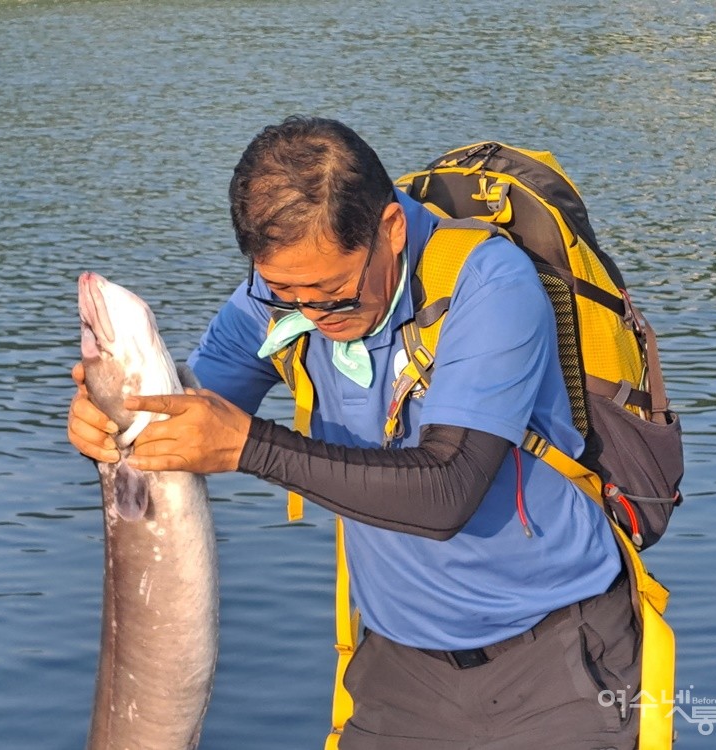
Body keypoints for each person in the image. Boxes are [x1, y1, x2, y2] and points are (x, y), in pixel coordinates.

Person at [68, 116, 641, 750]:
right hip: (397, 670)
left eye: (333, 294)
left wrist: (249, 447)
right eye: (288, 293)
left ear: (390, 230)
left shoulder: (490, 284)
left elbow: (449, 491)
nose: (314, 314)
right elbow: (190, 421)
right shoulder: (276, 295)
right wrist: (118, 421)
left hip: (555, 658)